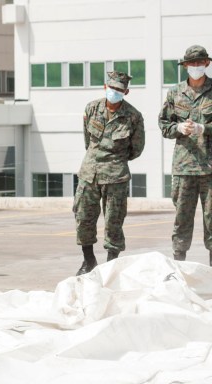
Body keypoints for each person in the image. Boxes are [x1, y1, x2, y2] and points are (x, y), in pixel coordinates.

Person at [74, 71, 145, 276]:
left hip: (115, 176)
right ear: (106, 87)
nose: (114, 92)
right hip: (89, 173)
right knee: (83, 217)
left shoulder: (133, 116)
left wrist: (116, 160)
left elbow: (136, 149)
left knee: (114, 221)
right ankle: (88, 260)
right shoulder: (92, 108)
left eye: (119, 90)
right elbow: (88, 141)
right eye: (112, 88)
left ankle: (111, 264)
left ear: (126, 92)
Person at [159, 45, 212, 264]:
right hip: (184, 168)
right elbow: (163, 124)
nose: (196, 67)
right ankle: (179, 266)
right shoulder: (175, 92)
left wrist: (204, 129)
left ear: (207, 64)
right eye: (192, 64)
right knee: (182, 220)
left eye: (200, 63)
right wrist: (178, 128)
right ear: (185, 66)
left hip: (210, 168)